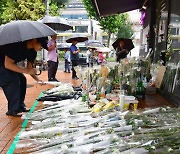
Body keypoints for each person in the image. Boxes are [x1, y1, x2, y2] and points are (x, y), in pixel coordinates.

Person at [0, 37, 47, 117]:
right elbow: (8, 64)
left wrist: (38, 79)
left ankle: (20, 106)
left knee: (22, 79)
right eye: (41, 45)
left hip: (8, 65)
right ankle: (13, 110)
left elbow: (29, 69)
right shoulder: (17, 46)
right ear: (34, 41)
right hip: (2, 64)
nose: (41, 48)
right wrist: (27, 71)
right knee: (12, 80)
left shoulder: (32, 52)